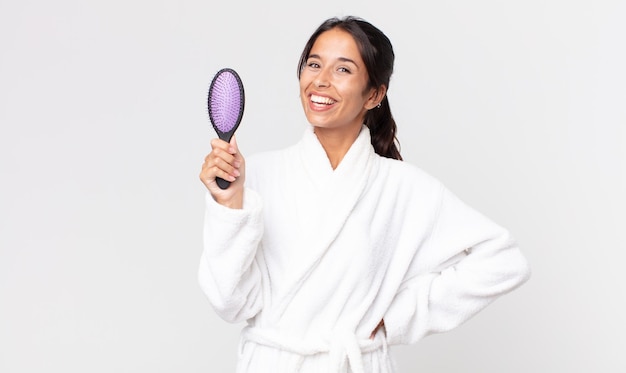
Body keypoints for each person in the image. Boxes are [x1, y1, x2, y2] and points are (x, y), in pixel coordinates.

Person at [198, 16, 530, 373]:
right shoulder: (255, 175)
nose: (321, 81)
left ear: (374, 94)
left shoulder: (402, 187)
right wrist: (230, 204)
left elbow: (505, 262)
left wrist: (398, 317)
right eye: (314, 64)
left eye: (343, 69)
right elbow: (229, 303)